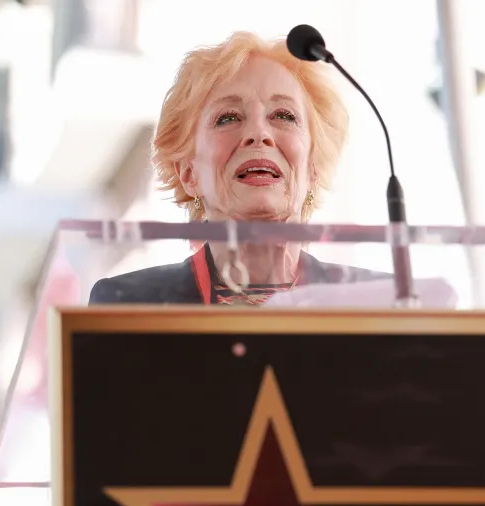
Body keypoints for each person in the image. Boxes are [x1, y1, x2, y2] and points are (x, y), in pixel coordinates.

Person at [90, 31, 382, 306]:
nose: (258, 133)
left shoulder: (377, 303)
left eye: (284, 115)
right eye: (228, 118)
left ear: (313, 169)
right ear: (188, 174)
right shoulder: (127, 304)